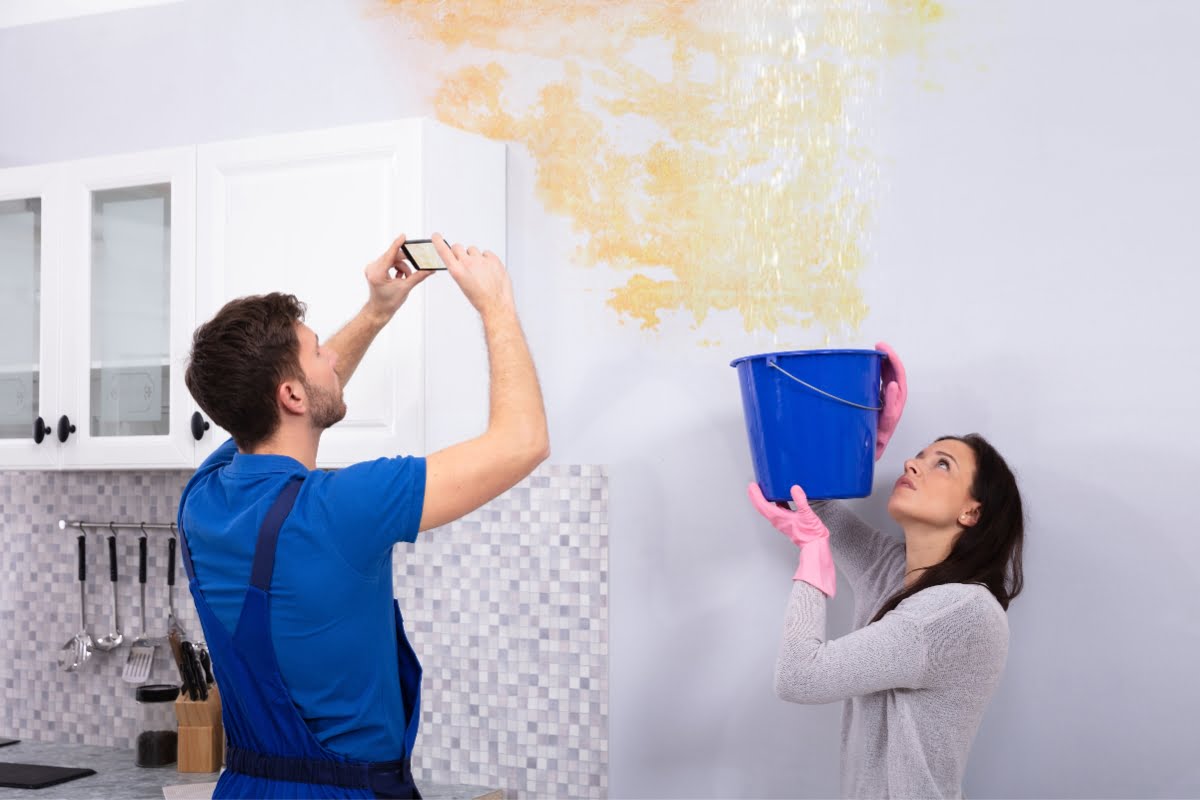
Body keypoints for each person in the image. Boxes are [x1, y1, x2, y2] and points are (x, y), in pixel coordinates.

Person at [177, 234, 548, 799]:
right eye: (319, 349)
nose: (333, 357)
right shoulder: (345, 507)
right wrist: (496, 304)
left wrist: (377, 312)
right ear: (292, 395)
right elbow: (523, 442)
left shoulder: (201, 499)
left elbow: (293, 400)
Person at [748, 343, 1024, 799]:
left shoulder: (957, 612)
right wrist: (854, 439)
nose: (912, 463)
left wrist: (813, 561)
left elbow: (798, 677)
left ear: (973, 512)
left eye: (942, 465)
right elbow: (805, 499)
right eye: (919, 454)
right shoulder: (894, 572)